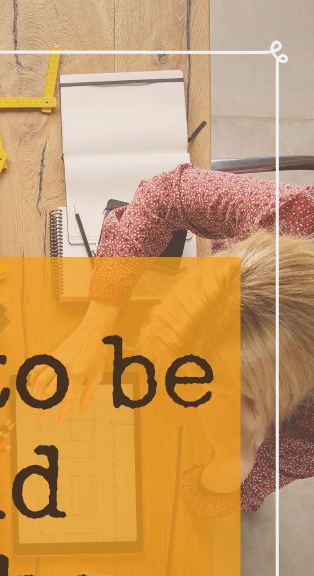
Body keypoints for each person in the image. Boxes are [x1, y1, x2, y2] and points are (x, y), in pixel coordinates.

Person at [37, 165, 314, 513]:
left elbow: (210, 505)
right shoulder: (296, 217)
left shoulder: (304, 432)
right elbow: (166, 194)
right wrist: (97, 324)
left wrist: (234, 458)